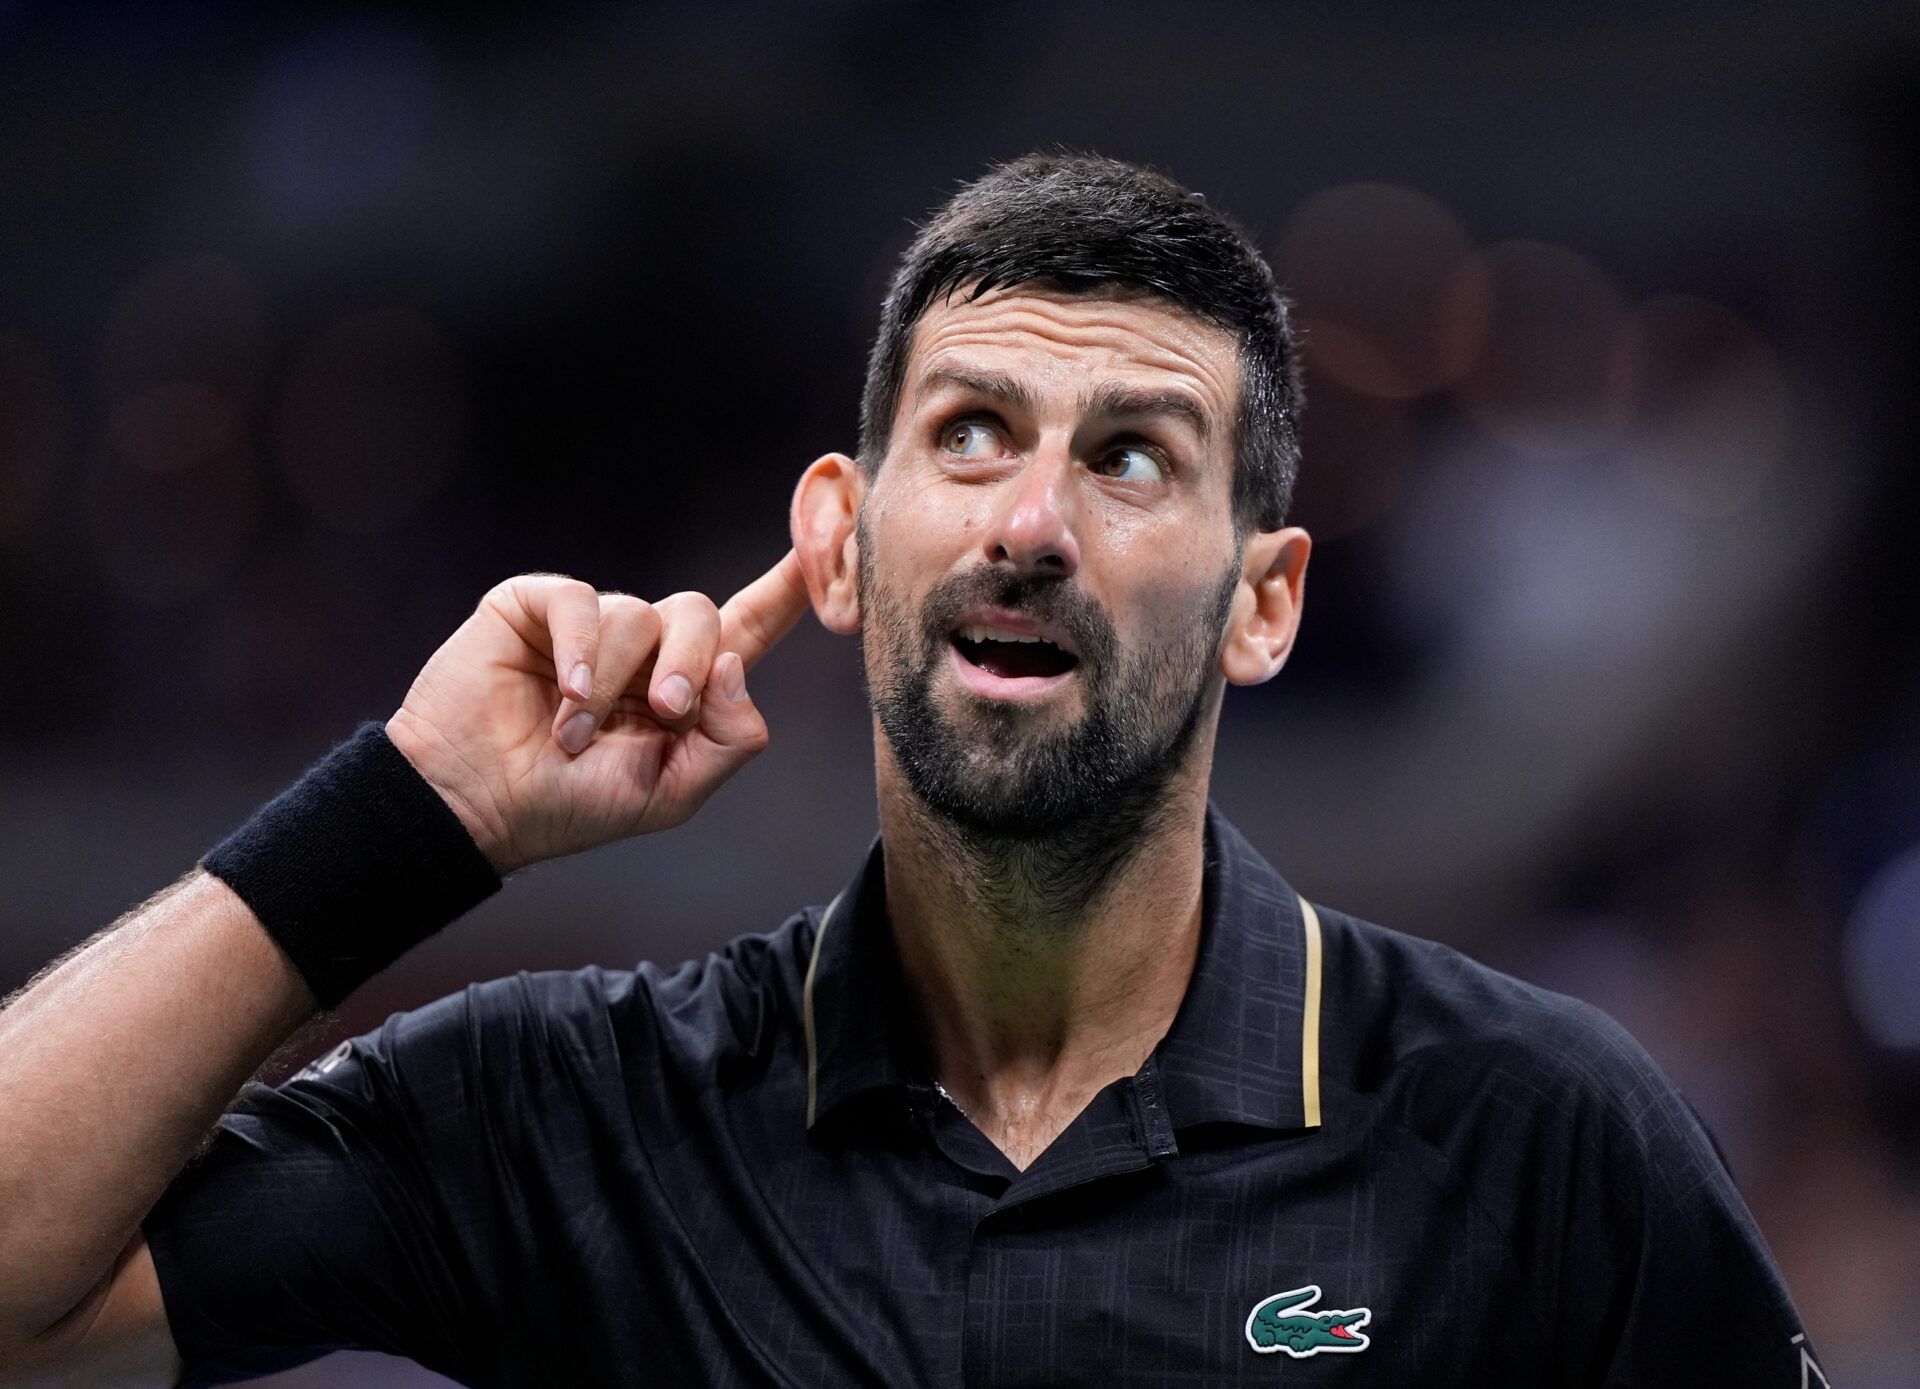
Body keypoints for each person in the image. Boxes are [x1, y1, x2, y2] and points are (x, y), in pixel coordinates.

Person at [0, 153, 1825, 1388]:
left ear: (1263, 602)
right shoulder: (577, 1114)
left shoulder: (1532, 1133)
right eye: (969, 433)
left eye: (1131, 457)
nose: (1030, 522)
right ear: (842, 539)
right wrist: (413, 812)